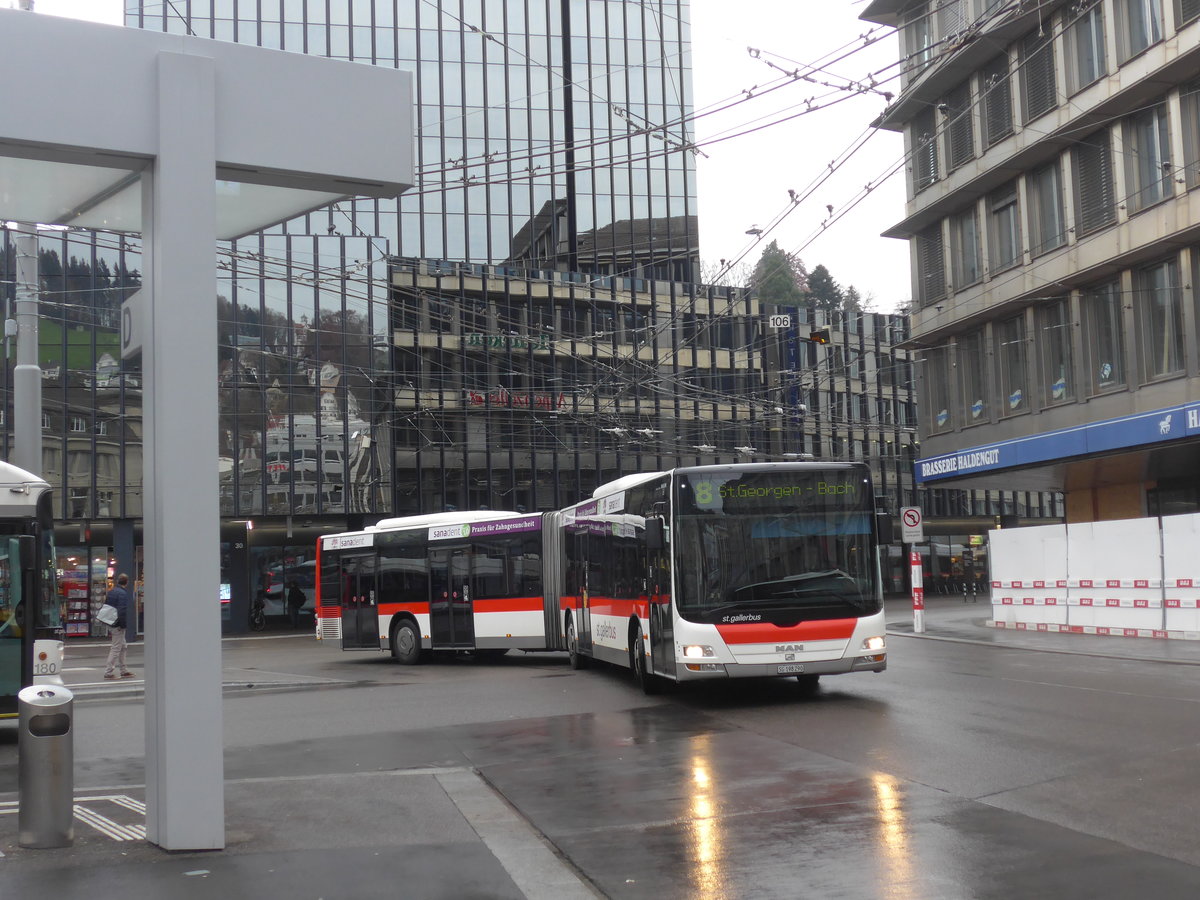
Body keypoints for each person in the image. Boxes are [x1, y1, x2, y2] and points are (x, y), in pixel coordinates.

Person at [103, 573, 134, 679]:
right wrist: (122, 624)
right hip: (117, 624)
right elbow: (122, 610)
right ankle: (108, 672)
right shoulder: (123, 594)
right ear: (127, 582)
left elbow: (106, 606)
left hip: (110, 621)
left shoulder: (112, 592)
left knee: (123, 646)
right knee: (116, 647)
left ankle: (123, 670)